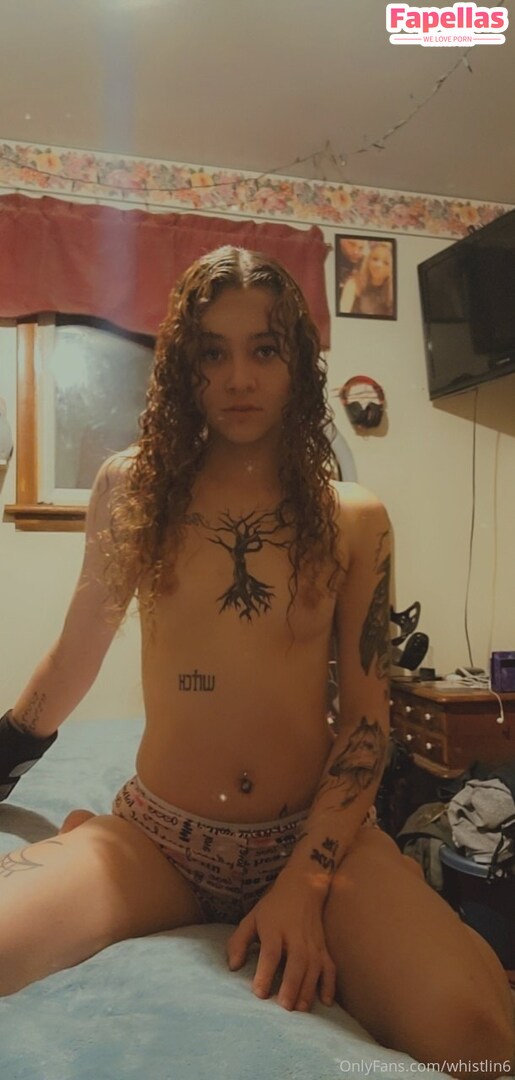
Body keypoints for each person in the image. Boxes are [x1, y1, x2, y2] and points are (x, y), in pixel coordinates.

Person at [0, 247, 513, 1073]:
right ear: (183, 366)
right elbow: (75, 656)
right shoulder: (132, 490)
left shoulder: (355, 520)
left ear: (296, 364)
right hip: (158, 838)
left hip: (312, 839)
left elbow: (366, 724)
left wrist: (304, 885)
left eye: (263, 349)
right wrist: (7, 752)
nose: (238, 377)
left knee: (475, 1035)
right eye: (213, 352)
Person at [340, 241, 394, 317]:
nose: (378, 265)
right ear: (368, 261)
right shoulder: (353, 284)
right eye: (375, 259)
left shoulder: (393, 292)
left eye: (386, 263)